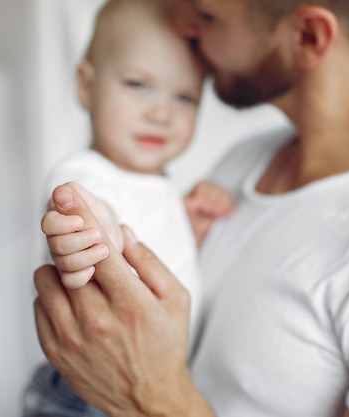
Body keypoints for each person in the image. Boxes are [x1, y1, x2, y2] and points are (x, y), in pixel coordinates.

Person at [31, 0, 349, 416]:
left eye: (207, 15)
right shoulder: (244, 164)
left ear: (308, 37)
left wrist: (152, 400)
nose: (182, 21)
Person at [23, 0, 233, 415]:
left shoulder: (161, 185)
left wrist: (190, 227)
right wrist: (88, 230)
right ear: (87, 87)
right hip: (89, 392)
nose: (160, 113)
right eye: (138, 84)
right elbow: (91, 215)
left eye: (185, 97)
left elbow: (150, 247)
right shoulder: (83, 174)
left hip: (149, 381)